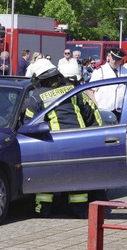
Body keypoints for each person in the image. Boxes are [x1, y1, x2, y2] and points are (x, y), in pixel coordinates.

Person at [24, 59, 103, 218]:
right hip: (79, 140)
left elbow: (28, 124)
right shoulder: (73, 90)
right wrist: (97, 135)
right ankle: (80, 210)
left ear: (38, 78)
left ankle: (43, 209)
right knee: (78, 176)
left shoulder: (36, 97)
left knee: (47, 176)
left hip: (54, 142)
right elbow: (91, 112)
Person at [87, 47, 127, 119]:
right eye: (113, 58)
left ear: (121, 60)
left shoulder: (126, 72)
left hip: (121, 111)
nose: (114, 61)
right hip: (104, 111)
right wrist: (96, 106)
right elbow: (90, 90)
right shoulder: (100, 71)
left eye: (117, 60)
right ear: (109, 57)